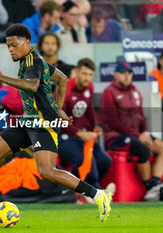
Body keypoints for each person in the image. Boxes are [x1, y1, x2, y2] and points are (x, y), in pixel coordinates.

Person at [0, 23, 112, 223]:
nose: (10, 49)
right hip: (28, 120)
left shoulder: (33, 63)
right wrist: (58, 108)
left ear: (27, 42)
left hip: (43, 123)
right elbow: (63, 79)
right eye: (8, 46)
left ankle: (98, 195)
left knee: (47, 171)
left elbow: (32, 85)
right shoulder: (32, 60)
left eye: (14, 45)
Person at [100, 61, 163, 201]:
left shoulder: (135, 91)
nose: (127, 76)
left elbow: (141, 116)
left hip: (136, 135)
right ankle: (148, 188)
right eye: (123, 73)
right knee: (142, 149)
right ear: (116, 75)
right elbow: (113, 122)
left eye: (129, 73)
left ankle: (155, 185)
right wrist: (138, 136)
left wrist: (144, 132)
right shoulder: (108, 93)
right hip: (116, 137)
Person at [58, 58, 112, 190]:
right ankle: (94, 191)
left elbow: (89, 108)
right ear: (76, 72)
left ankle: (83, 191)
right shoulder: (64, 89)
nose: (87, 78)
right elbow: (59, 119)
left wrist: (95, 125)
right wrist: (80, 133)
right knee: (83, 159)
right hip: (61, 135)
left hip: (80, 135)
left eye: (90, 75)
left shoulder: (89, 88)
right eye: (84, 74)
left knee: (105, 160)